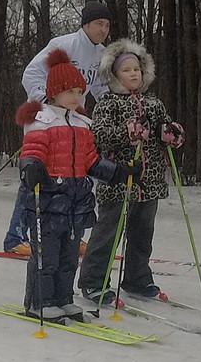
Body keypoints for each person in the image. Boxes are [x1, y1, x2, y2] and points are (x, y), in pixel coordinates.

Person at [14, 50, 128, 323]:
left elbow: (91, 160)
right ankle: (40, 302)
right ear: (54, 92)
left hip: (76, 201)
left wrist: (117, 172)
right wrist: (32, 167)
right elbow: (31, 152)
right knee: (47, 257)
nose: (76, 97)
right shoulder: (42, 121)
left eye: (79, 91)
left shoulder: (82, 124)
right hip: (48, 200)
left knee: (69, 257)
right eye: (69, 91)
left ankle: (64, 299)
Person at [82, 39, 182, 306]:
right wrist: (127, 134)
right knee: (108, 233)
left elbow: (163, 129)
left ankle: (137, 278)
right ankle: (93, 281)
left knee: (142, 234)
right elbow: (99, 136)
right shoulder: (108, 103)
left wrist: (169, 134)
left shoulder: (154, 103)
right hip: (118, 179)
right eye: (126, 70)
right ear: (114, 75)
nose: (134, 74)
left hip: (149, 181)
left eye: (137, 69)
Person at [20, 0, 113, 107]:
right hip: (45, 111)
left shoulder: (102, 53)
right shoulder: (64, 45)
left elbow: (100, 87)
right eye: (99, 24)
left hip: (73, 112)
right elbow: (31, 73)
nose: (103, 30)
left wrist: (111, 107)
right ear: (86, 24)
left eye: (107, 25)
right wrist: (46, 99)